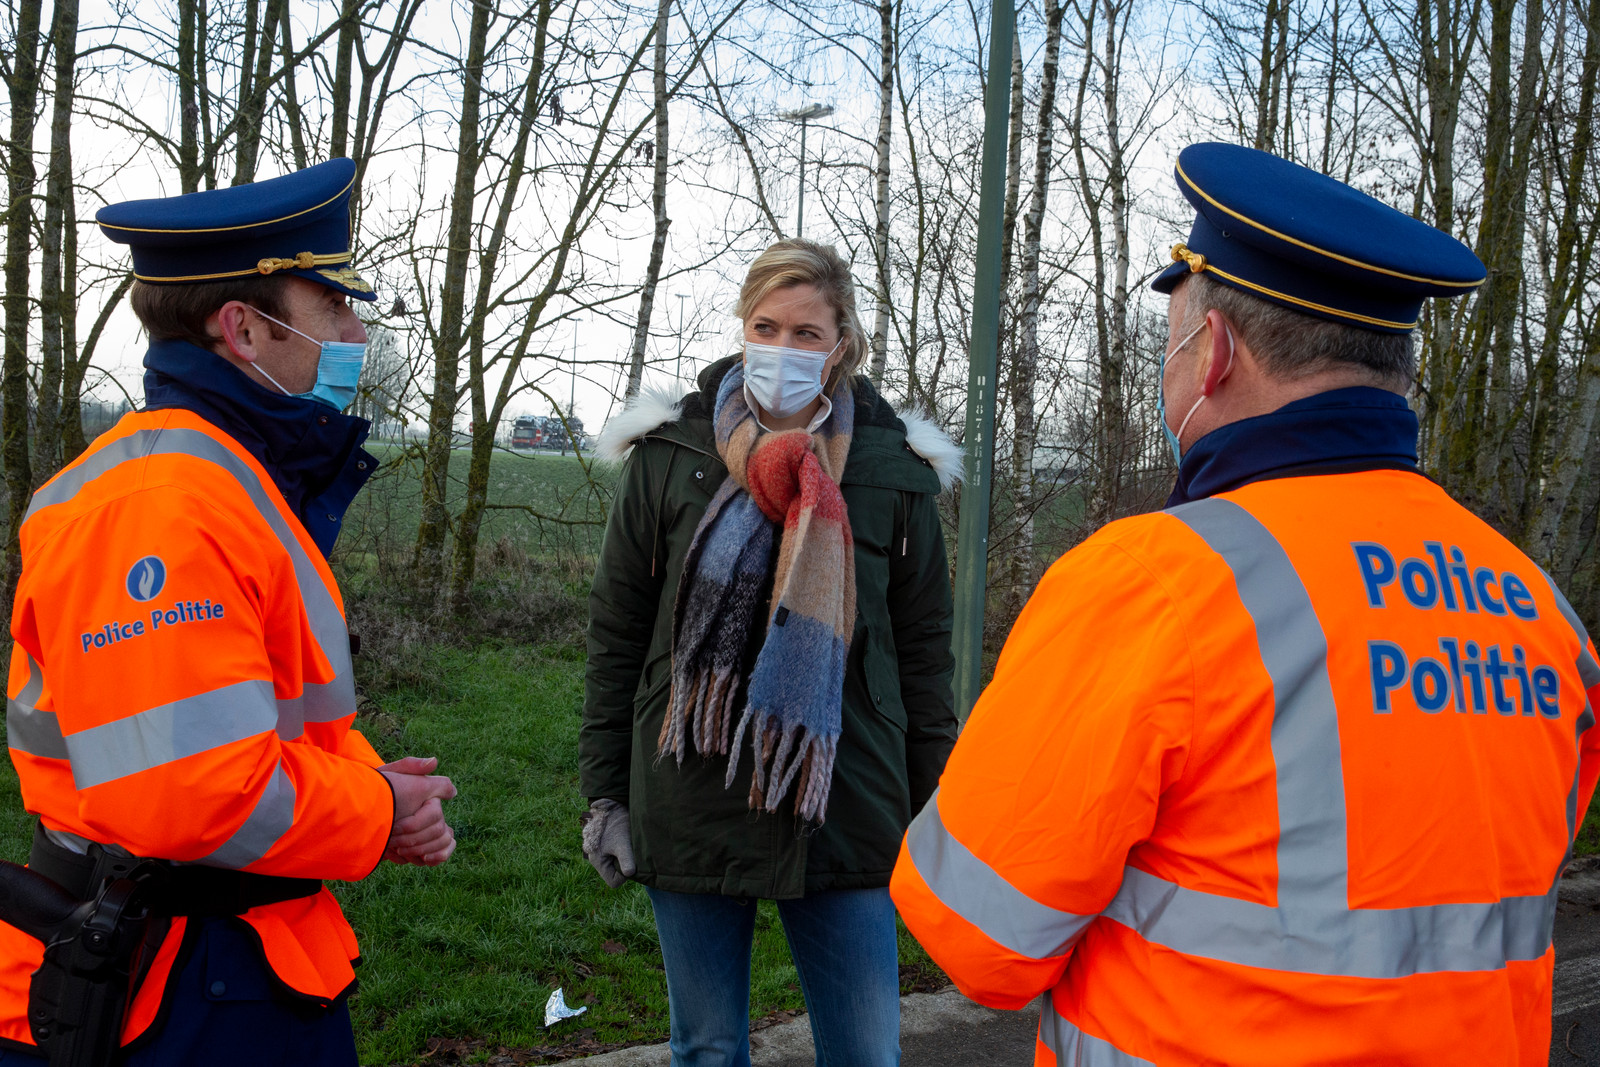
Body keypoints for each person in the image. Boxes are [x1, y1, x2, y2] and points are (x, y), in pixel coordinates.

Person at [891, 142, 1600, 1065]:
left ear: (1213, 351)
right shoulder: (1537, 605)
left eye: (1173, 336)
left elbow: (977, 934)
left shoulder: (1154, 581)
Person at [0, 158, 458, 1066]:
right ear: (245, 327)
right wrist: (373, 806)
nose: (357, 331)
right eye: (333, 306)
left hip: (224, 964)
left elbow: (250, 713)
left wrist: (370, 779)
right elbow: (193, 785)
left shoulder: (226, 480)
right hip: (173, 987)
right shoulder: (163, 508)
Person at [581, 238, 962, 1067]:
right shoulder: (669, 458)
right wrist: (605, 795)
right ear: (742, 328)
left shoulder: (895, 473)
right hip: (691, 785)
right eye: (767, 326)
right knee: (708, 1049)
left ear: (842, 346)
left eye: (806, 333)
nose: (783, 349)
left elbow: (925, 655)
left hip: (846, 794)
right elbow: (616, 637)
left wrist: (939, 806)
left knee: (865, 1053)